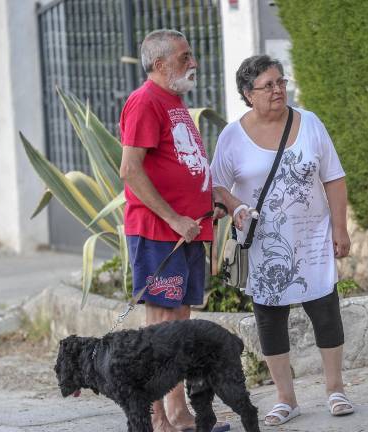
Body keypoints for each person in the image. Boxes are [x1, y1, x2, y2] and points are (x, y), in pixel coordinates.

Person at [211, 55, 354, 426]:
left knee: (325, 310)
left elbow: (334, 178)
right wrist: (235, 205)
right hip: (264, 244)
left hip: (311, 237)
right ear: (247, 94)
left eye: (280, 82)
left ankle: (335, 389)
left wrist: (340, 227)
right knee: (270, 318)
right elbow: (217, 186)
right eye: (268, 85)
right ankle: (285, 398)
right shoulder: (231, 136)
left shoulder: (310, 123)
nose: (278, 90)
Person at [119, 29, 229, 432]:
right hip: (161, 232)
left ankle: (172, 414)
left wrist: (206, 204)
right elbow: (130, 170)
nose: (193, 62)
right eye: (185, 57)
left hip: (187, 230)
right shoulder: (145, 101)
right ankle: (163, 417)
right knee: (164, 322)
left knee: (177, 320)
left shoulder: (175, 102)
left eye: (191, 55)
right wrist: (172, 217)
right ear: (160, 64)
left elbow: (182, 165)